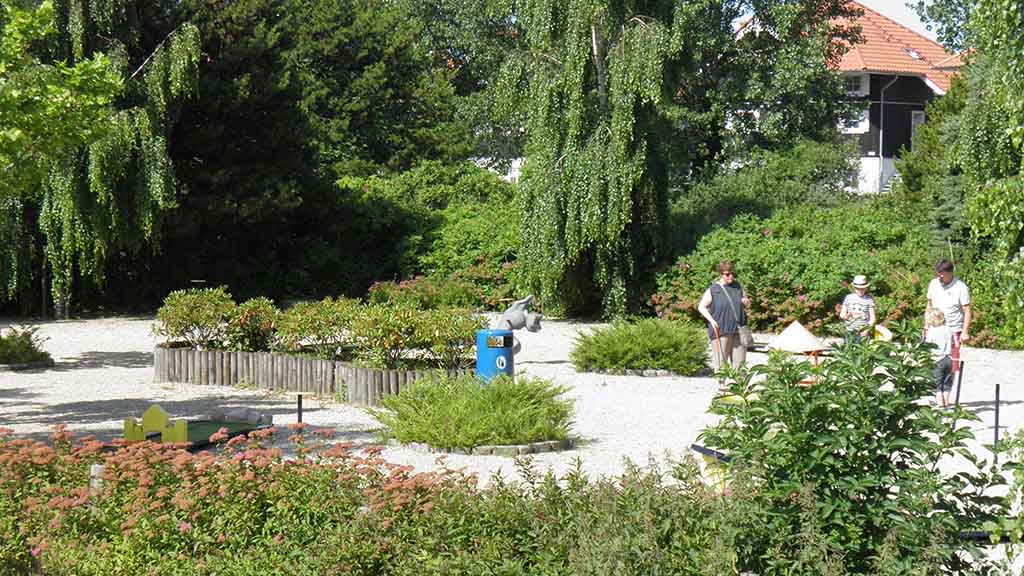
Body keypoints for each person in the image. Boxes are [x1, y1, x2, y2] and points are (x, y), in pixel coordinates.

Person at [697, 261, 750, 373]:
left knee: (740, 364)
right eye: (727, 274)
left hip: (739, 330)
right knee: (721, 363)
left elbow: (745, 300)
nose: (731, 276)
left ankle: (739, 389)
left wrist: (746, 301)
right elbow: (701, 307)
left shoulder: (738, 286)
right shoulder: (714, 289)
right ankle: (722, 388)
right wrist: (712, 321)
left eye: (732, 273)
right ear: (721, 274)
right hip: (721, 330)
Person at [926, 259, 971, 374]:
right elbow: (929, 306)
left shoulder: (961, 287)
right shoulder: (933, 284)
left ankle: (949, 388)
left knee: (952, 365)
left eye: (942, 274)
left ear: (950, 272)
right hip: (935, 328)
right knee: (932, 361)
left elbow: (967, 311)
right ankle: (935, 389)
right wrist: (926, 326)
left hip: (953, 330)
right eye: (938, 273)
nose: (940, 276)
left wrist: (965, 332)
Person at [924, 307, 954, 407]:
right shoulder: (948, 329)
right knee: (947, 382)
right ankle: (946, 401)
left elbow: (927, 345)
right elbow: (953, 343)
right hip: (949, 358)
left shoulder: (932, 331)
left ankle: (940, 403)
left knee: (936, 383)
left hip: (937, 358)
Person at [839, 274, 876, 343]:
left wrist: (866, 330)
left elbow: (872, 319)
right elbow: (842, 315)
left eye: (862, 288)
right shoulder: (848, 298)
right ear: (854, 287)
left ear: (866, 288)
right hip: (849, 331)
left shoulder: (869, 300)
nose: (860, 290)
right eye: (857, 288)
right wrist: (847, 316)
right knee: (848, 351)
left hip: (863, 332)